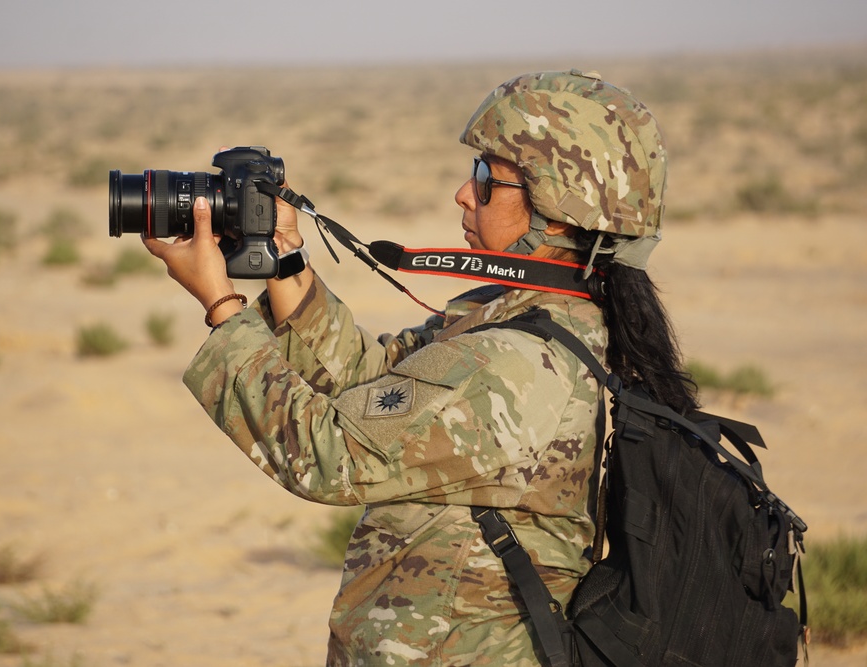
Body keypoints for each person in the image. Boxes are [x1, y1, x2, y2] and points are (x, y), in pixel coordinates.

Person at [142, 70, 698, 666]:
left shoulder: (517, 361)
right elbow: (372, 382)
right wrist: (284, 259)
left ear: (559, 210)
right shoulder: (524, 315)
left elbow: (329, 456)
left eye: (488, 179)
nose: (464, 192)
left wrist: (222, 307)